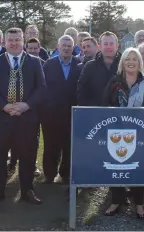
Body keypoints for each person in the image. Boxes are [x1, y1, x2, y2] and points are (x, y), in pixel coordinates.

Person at [0, 27, 46, 205]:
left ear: (23, 40)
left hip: (27, 118)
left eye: (17, 39)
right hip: (3, 118)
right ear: (5, 42)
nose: (13, 43)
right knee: (0, 157)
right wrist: (4, 106)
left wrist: (26, 105)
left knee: (28, 156)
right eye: (10, 40)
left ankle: (27, 191)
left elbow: (41, 87)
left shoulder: (35, 62)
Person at [102, 47, 144, 219]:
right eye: (128, 59)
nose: (131, 62)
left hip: (140, 132)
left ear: (139, 62)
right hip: (116, 131)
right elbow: (104, 105)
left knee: (138, 166)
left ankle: (139, 203)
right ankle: (116, 200)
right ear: (123, 62)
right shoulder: (114, 82)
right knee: (116, 164)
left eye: (134, 59)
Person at [41, 35, 81, 185]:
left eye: (69, 46)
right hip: (50, 113)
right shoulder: (48, 64)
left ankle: (65, 174)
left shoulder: (79, 64)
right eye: (63, 45)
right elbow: (43, 88)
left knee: (68, 145)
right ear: (58, 46)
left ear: (73, 47)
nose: (66, 48)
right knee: (51, 145)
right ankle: (49, 174)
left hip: (71, 113)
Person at [9, 37, 44, 177]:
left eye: (36, 48)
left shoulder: (42, 63)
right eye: (30, 48)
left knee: (32, 139)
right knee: (12, 136)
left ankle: (32, 164)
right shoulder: (18, 63)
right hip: (16, 107)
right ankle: (12, 162)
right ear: (26, 48)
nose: (33, 51)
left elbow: (42, 87)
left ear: (39, 49)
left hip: (34, 108)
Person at [77, 31, 121, 106]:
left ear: (117, 46)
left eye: (111, 44)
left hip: (120, 114)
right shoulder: (89, 67)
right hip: (95, 114)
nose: (108, 47)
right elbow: (81, 93)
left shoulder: (124, 67)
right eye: (105, 44)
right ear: (100, 47)